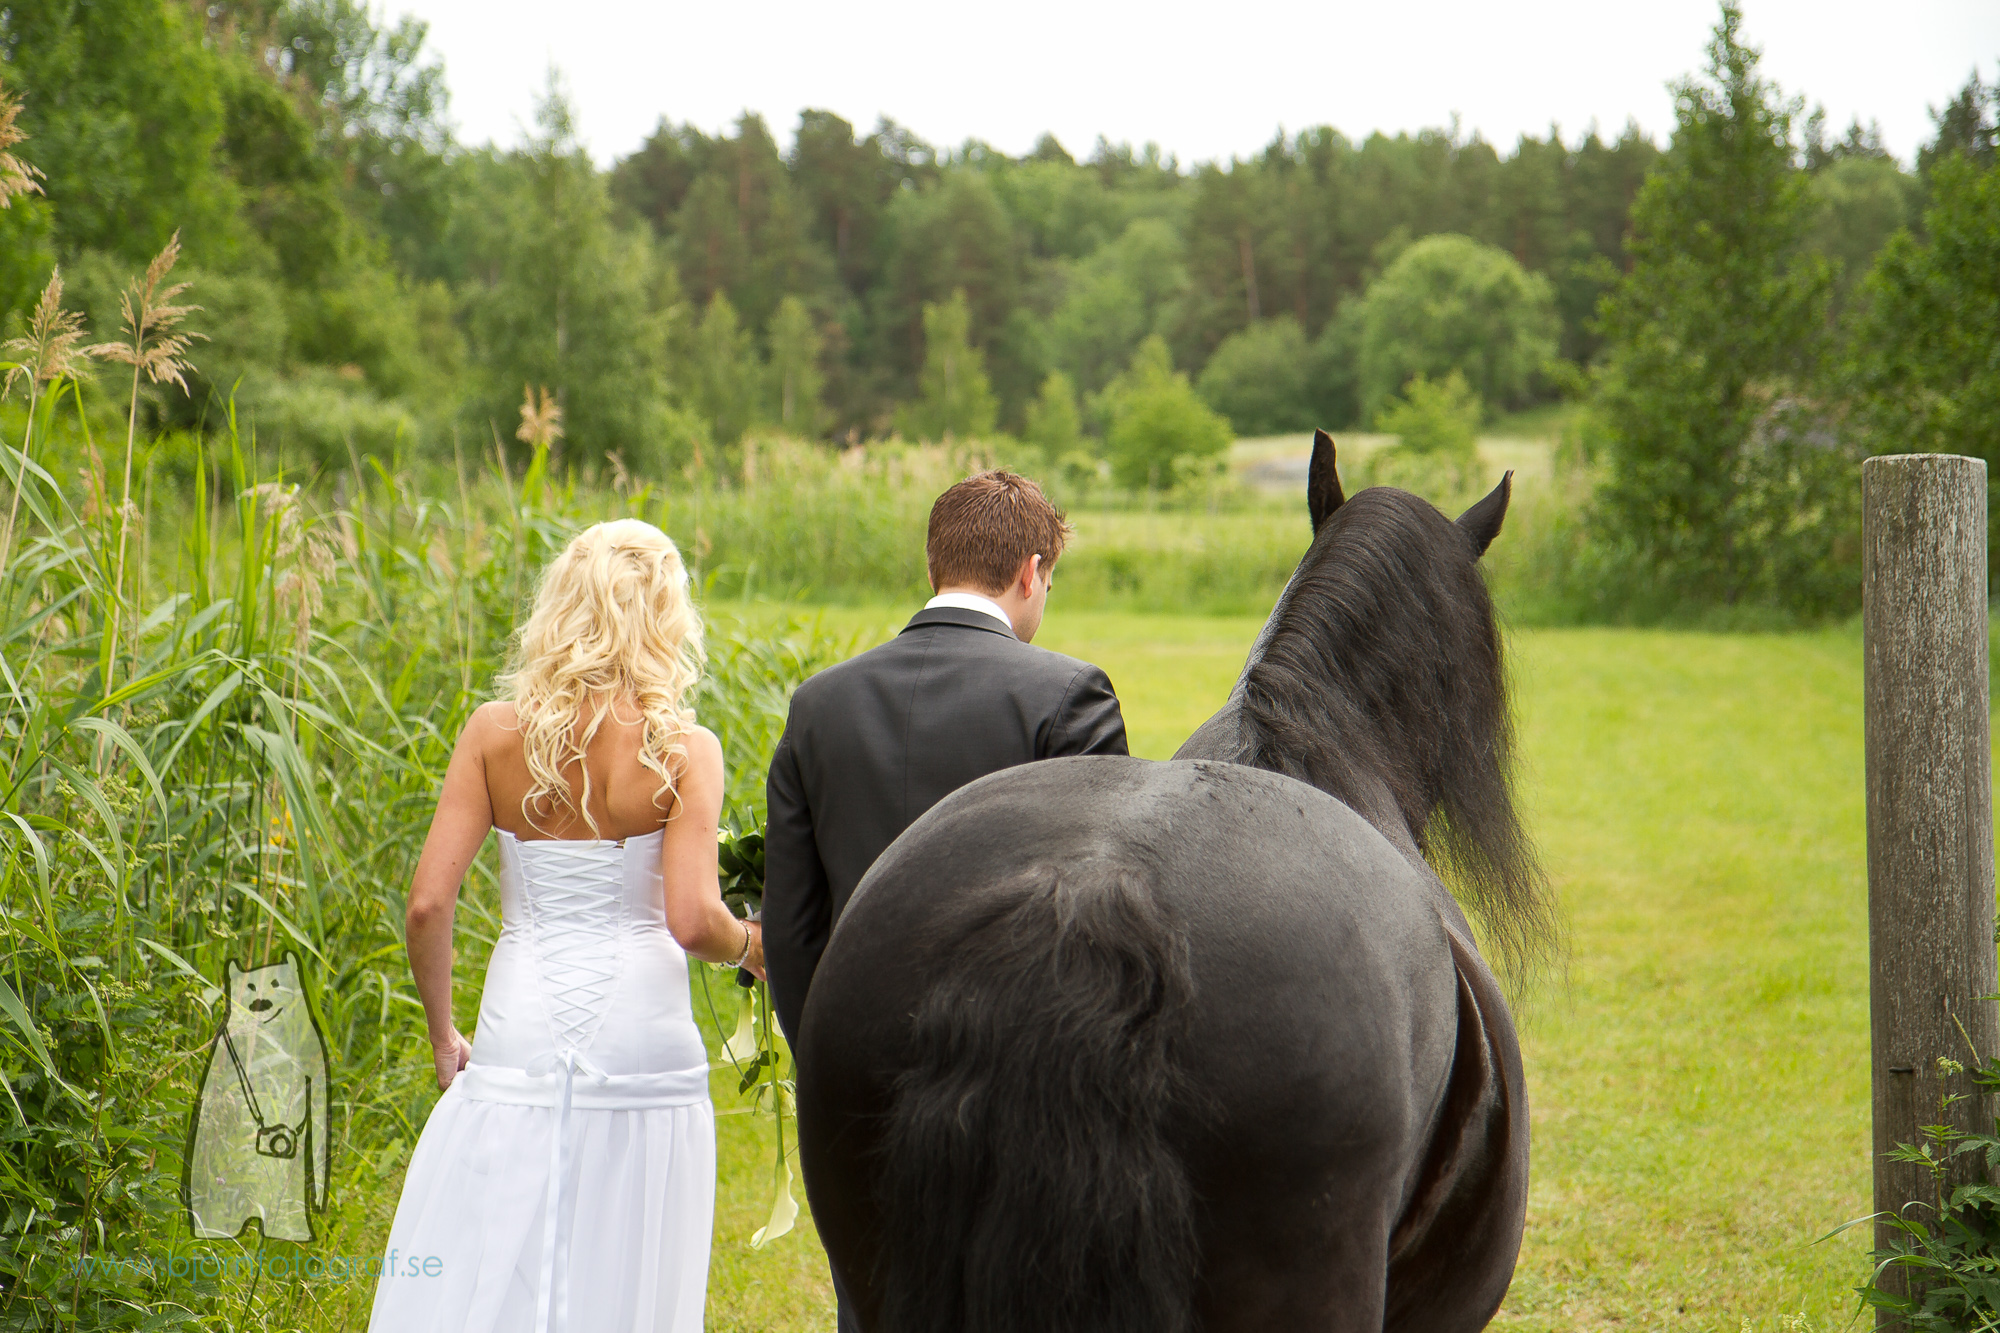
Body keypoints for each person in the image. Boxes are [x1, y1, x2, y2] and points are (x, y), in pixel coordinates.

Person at [369, 519, 762, 1333]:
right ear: (663, 617)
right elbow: (693, 920)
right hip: (644, 1037)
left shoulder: (493, 733)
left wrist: (446, 1039)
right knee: (626, 1267)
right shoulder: (685, 750)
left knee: (502, 1257)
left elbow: (426, 905)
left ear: (563, 607)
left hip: (521, 1025)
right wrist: (757, 946)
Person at [762, 470, 1129, 1332]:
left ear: (935, 565)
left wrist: (828, 1047)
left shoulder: (820, 704)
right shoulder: (1069, 696)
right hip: (1021, 1066)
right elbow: (1094, 911)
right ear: (1032, 571)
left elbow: (790, 921)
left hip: (856, 1063)